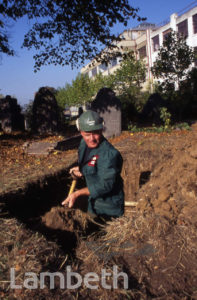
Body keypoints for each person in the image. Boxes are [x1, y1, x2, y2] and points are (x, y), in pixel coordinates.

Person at [62, 110, 124, 220]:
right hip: (92, 202)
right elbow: (91, 163)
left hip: (109, 207)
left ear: (101, 130)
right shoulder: (83, 144)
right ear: (81, 132)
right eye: (87, 134)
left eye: (96, 133)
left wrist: (77, 194)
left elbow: (105, 185)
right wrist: (81, 169)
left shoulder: (108, 154)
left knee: (109, 235)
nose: (92, 138)